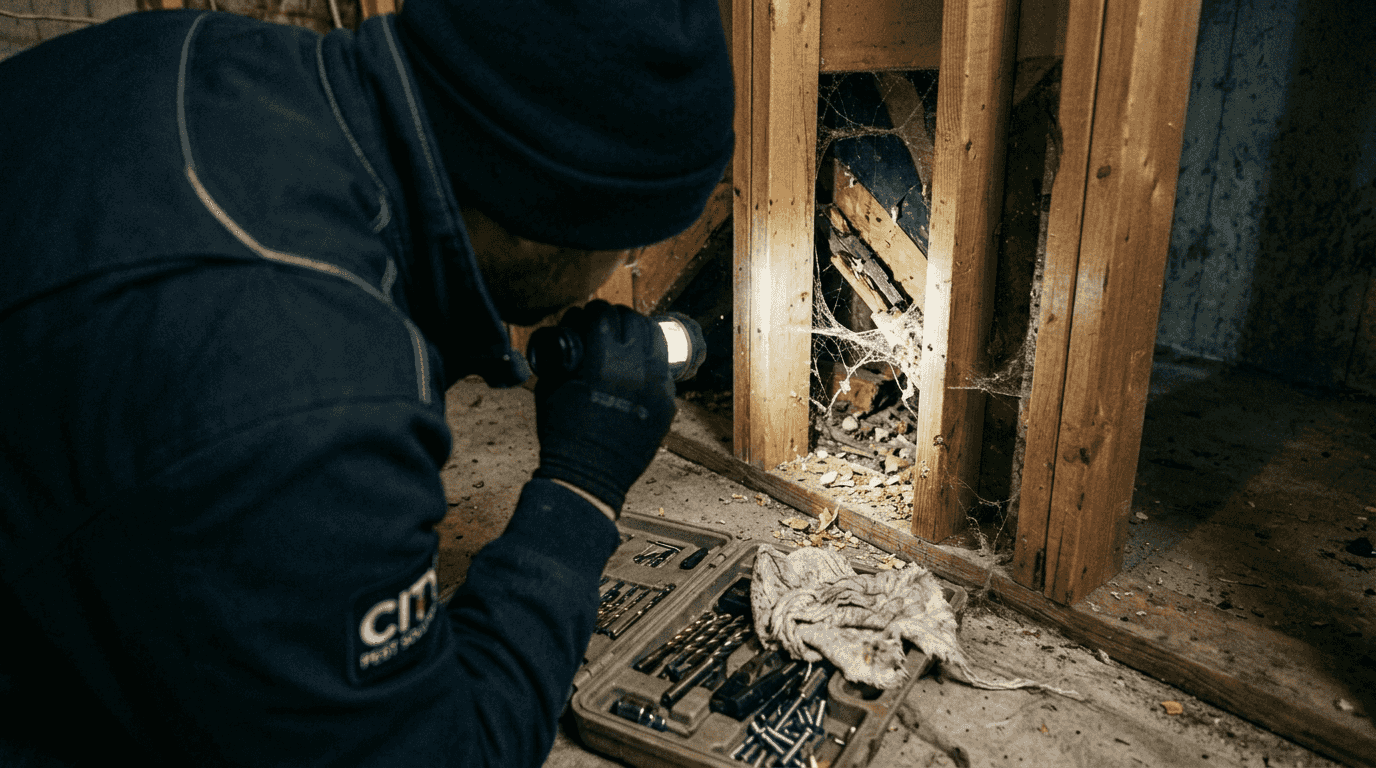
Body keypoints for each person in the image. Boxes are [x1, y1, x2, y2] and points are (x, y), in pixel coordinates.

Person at [0, 0, 733, 765]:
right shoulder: (312, 397)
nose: (621, 267)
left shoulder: (193, 51)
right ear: (544, 213)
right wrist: (581, 489)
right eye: (628, 237)